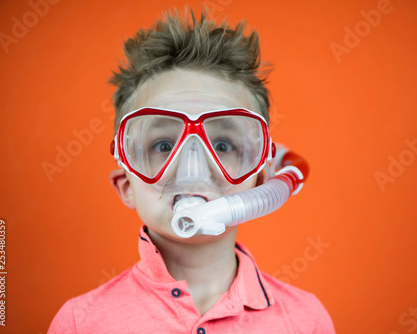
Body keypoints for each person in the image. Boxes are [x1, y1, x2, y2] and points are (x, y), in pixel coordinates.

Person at [48, 8, 335, 333]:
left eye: (224, 145)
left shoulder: (304, 320)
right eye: (164, 145)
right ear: (126, 185)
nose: (192, 167)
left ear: (261, 178)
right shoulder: (81, 322)